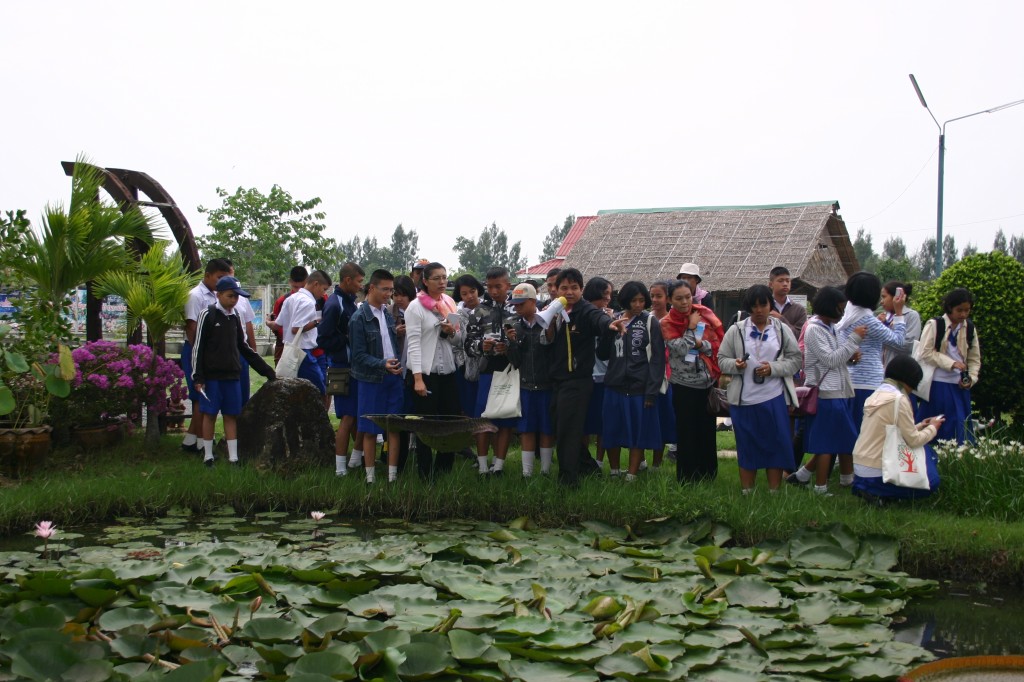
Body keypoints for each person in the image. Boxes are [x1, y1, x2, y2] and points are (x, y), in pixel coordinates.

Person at [718, 285, 802, 493]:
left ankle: (774, 492)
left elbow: (796, 360)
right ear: (748, 308)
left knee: (775, 444)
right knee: (747, 444)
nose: (759, 310)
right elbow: (721, 360)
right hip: (744, 400)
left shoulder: (781, 330)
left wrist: (773, 368)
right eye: (753, 306)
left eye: (763, 305)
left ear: (769, 305)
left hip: (774, 397)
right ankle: (748, 491)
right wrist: (735, 365)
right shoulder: (737, 330)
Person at [787, 287, 865, 494]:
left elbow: (836, 356)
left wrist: (850, 356)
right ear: (828, 307)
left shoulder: (831, 327)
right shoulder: (814, 329)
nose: (842, 313)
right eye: (839, 309)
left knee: (844, 438)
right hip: (825, 393)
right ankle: (820, 487)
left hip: (838, 390)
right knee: (826, 444)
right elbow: (830, 360)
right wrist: (854, 340)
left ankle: (807, 475)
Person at [192, 276, 276, 467]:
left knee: (231, 415)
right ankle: (207, 455)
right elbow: (199, 347)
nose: (234, 301)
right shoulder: (208, 315)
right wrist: (198, 376)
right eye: (230, 296)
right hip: (212, 377)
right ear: (219, 294)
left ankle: (233, 458)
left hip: (232, 376)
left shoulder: (235, 316)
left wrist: (266, 370)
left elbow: (243, 347)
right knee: (210, 415)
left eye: (236, 297)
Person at [549, 268, 618, 486]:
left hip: (577, 381)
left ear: (581, 290)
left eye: (574, 288)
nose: (569, 292)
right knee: (559, 428)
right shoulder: (553, 309)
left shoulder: (586, 310)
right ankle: (588, 468)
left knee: (568, 432)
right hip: (557, 380)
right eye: (564, 288)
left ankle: (568, 481)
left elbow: (598, 318)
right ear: (556, 289)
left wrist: (609, 324)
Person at [852, 355, 943, 503]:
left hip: (860, 469)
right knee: (930, 469)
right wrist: (933, 428)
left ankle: (874, 491)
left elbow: (889, 428)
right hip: (879, 472)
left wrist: (920, 426)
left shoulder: (876, 394)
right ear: (909, 380)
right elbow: (914, 440)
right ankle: (882, 493)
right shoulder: (899, 399)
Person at [602, 281, 665, 481]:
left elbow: (657, 359)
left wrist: (652, 390)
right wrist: (608, 330)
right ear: (625, 300)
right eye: (633, 300)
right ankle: (613, 471)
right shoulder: (614, 319)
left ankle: (631, 474)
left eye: (641, 300)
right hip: (614, 384)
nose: (638, 305)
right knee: (611, 429)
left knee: (637, 432)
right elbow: (602, 353)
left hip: (640, 386)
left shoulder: (650, 322)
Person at [662, 279, 723, 483]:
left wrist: (699, 342)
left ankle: (708, 474)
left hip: (706, 382)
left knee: (706, 430)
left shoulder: (702, 313)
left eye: (688, 297)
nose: (684, 302)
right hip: (683, 385)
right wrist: (691, 328)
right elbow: (680, 348)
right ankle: (687, 477)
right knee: (687, 432)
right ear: (670, 300)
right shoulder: (667, 323)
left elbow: (714, 345)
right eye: (678, 298)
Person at [405, 262, 462, 479]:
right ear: (425, 281)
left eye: (444, 277)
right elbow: (414, 344)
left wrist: (449, 331)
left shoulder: (450, 303)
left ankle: (443, 469)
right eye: (436, 278)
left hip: (447, 370)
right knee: (426, 424)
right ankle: (425, 472)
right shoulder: (415, 307)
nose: (442, 282)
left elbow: (458, 338)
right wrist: (418, 379)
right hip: (425, 373)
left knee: (451, 420)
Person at [349, 269, 404, 483]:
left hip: (394, 376)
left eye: (391, 290)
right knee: (369, 430)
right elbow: (358, 356)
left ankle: (392, 476)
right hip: (371, 379)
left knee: (394, 427)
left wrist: (394, 365)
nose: (389, 294)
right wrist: (382, 364)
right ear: (371, 288)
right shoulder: (358, 318)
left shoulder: (387, 313)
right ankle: (369, 477)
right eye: (385, 289)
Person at [836, 272, 907, 429]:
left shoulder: (849, 314)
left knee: (851, 431)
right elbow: (899, 341)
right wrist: (899, 313)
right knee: (864, 432)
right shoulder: (868, 320)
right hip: (867, 383)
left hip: (849, 380)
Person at [466, 267, 517, 474]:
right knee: (483, 420)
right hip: (487, 372)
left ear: (508, 286)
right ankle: (483, 466)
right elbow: (468, 346)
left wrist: (511, 346)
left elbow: (525, 343)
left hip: (511, 370)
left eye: (499, 286)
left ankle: (499, 466)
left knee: (506, 419)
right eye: (490, 286)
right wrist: (481, 346)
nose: (494, 291)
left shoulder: (518, 309)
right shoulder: (478, 311)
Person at [180, 258, 232, 454]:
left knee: (205, 397)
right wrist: (200, 356)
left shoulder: (216, 295)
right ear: (207, 275)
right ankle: (202, 444)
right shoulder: (195, 296)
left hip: (213, 353)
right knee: (199, 398)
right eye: (219, 278)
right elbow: (192, 327)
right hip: (197, 351)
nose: (221, 282)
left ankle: (191, 441)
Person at [916, 288, 981, 444]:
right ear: (950, 307)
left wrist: (971, 378)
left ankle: (957, 462)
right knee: (935, 426)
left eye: (967, 310)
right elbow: (925, 352)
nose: (963, 314)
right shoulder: (935, 324)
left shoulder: (969, 328)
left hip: (959, 386)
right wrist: (951, 364)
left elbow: (974, 359)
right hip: (937, 384)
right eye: (959, 310)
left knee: (960, 429)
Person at [319, 262, 366, 477]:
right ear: (347, 280)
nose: (360, 285)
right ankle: (340, 468)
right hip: (341, 367)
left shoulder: (349, 302)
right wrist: (347, 341)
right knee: (347, 417)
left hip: (353, 366)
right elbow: (323, 337)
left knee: (357, 415)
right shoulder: (334, 303)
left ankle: (357, 459)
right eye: (358, 281)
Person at [505, 283, 555, 477]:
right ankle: (527, 473)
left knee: (546, 429)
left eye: (521, 304)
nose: (517, 308)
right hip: (525, 386)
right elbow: (515, 361)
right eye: (515, 305)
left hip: (547, 384)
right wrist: (511, 343)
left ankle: (545, 470)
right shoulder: (515, 326)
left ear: (533, 301)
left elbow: (553, 350)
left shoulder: (548, 321)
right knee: (526, 429)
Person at [276, 270, 332, 395]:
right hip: (303, 351)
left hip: (291, 349)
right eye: (324, 289)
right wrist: (317, 322)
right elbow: (296, 328)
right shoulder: (308, 302)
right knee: (320, 388)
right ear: (315, 284)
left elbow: (278, 323)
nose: (323, 294)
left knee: (295, 391)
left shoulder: (291, 298)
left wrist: (269, 322)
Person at [581, 277, 614, 469]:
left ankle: (600, 461)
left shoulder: (610, 317)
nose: (608, 299)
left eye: (610, 294)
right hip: (585, 376)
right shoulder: (582, 314)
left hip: (605, 376)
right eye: (605, 295)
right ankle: (585, 460)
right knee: (584, 424)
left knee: (603, 423)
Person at [649, 280, 677, 468]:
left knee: (661, 422)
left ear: (667, 298)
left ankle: (657, 465)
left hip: (668, 377)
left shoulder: (672, 321)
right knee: (647, 421)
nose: (655, 300)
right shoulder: (646, 318)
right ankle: (641, 461)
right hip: (647, 376)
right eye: (652, 296)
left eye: (659, 296)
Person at [223, 260, 258, 406]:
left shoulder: (242, 299)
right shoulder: (212, 307)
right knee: (226, 398)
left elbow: (248, 324)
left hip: (241, 351)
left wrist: (253, 351)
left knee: (243, 394)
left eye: (232, 273)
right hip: (222, 353)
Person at [453, 274, 485, 420]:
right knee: (469, 408)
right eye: (464, 294)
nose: (470, 296)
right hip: (465, 370)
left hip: (486, 367)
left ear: (478, 289)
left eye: (472, 291)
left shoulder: (488, 309)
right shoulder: (454, 314)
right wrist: (462, 364)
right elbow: (454, 343)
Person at [268, 266, 308, 364]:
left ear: (307, 281)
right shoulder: (282, 301)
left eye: (301, 287)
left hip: (307, 347)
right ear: (290, 282)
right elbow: (277, 327)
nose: (298, 291)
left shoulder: (316, 299)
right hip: (284, 347)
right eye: (295, 287)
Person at [880, 281, 922, 365]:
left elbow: (909, 345)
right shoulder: (883, 317)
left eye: (884, 297)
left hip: (899, 371)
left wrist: (879, 336)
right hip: (881, 372)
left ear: (897, 297)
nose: (881, 301)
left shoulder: (911, 316)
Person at [768, 266, 808, 339]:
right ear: (771, 284)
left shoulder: (799, 310)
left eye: (787, 281)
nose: (785, 284)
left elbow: (800, 336)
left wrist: (781, 319)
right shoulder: (764, 307)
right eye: (780, 281)